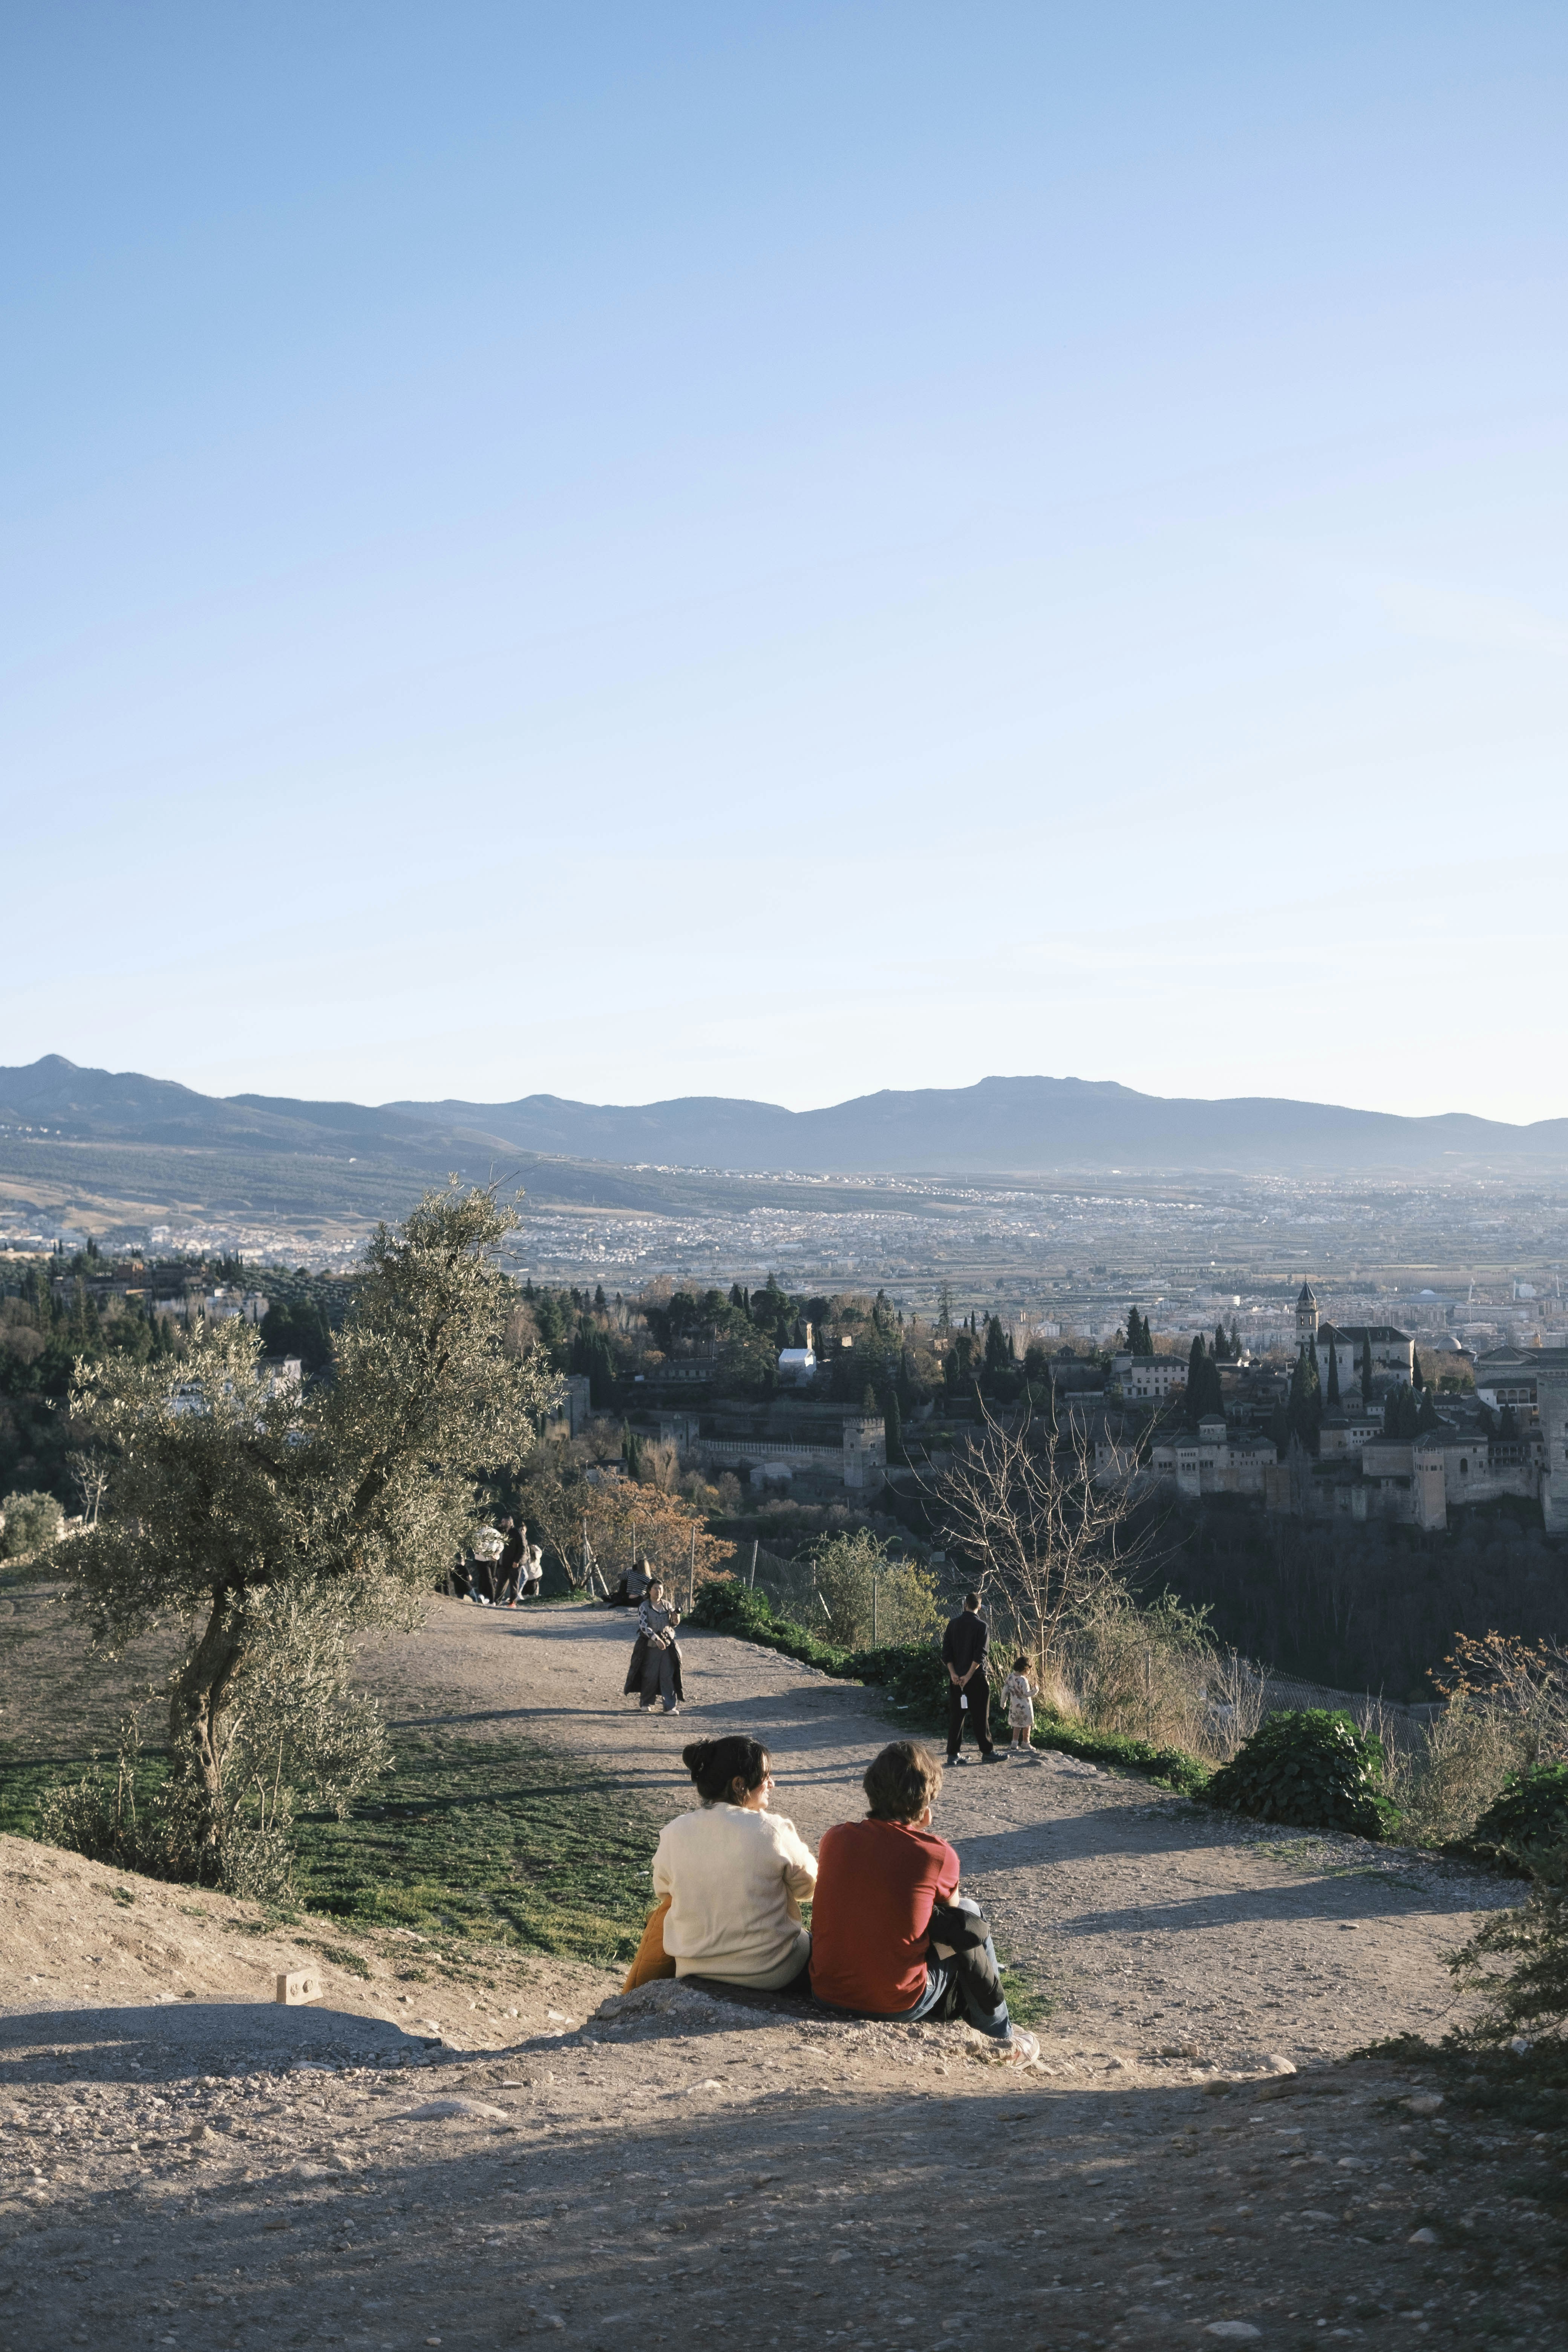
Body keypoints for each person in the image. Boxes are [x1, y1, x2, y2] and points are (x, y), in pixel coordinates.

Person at [809, 1739, 1037, 2062]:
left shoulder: (835, 1837)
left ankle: (991, 2031)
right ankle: (1001, 2036)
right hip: (897, 2003)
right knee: (970, 1915)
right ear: (926, 1802)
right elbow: (953, 1916)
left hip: (826, 1993)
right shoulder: (936, 1853)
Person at [651, 1736, 816, 1992]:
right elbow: (809, 1887)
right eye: (766, 1776)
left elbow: (663, 1890)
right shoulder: (771, 1829)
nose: (772, 1784)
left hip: (694, 1968)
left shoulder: (674, 1831)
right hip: (772, 1970)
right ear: (740, 1785)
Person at [943, 1591, 999, 1764]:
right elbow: (980, 1655)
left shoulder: (953, 1625)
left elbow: (947, 1653)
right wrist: (968, 1676)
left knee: (957, 1717)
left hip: (956, 1680)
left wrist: (954, 1675)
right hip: (976, 1678)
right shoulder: (982, 1627)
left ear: (965, 1604)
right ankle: (987, 1752)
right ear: (979, 1607)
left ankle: (953, 1754)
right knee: (981, 1716)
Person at [626, 1579, 683, 1713]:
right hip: (650, 1646)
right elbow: (643, 1626)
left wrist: (676, 1618)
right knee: (650, 1675)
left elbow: (673, 1624)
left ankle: (670, 1707)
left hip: (668, 1645)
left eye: (661, 1589)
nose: (659, 1592)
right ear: (649, 1590)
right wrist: (656, 1639)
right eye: (656, 1589)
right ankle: (646, 1703)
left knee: (668, 1675)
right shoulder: (644, 1607)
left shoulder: (667, 1605)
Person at [1001, 1655, 1037, 1757]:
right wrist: (1035, 1691)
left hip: (1014, 1706)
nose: (1029, 1672)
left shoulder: (1010, 1677)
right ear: (1026, 1669)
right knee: (1027, 1724)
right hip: (1025, 1706)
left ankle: (1014, 1742)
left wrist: (1003, 1703)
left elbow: (1005, 1692)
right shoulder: (1023, 1680)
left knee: (1016, 1724)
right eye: (1029, 1670)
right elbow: (1026, 1694)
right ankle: (1026, 1742)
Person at [494, 1518, 526, 1607]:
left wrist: (517, 1561)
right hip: (504, 1564)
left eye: (503, 1522)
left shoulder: (517, 1533)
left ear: (509, 1522)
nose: (502, 1524)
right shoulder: (504, 1533)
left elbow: (523, 1548)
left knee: (514, 1584)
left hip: (514, 1564)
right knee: (501, 1583)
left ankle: (513, 1602)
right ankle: (496, 1602)